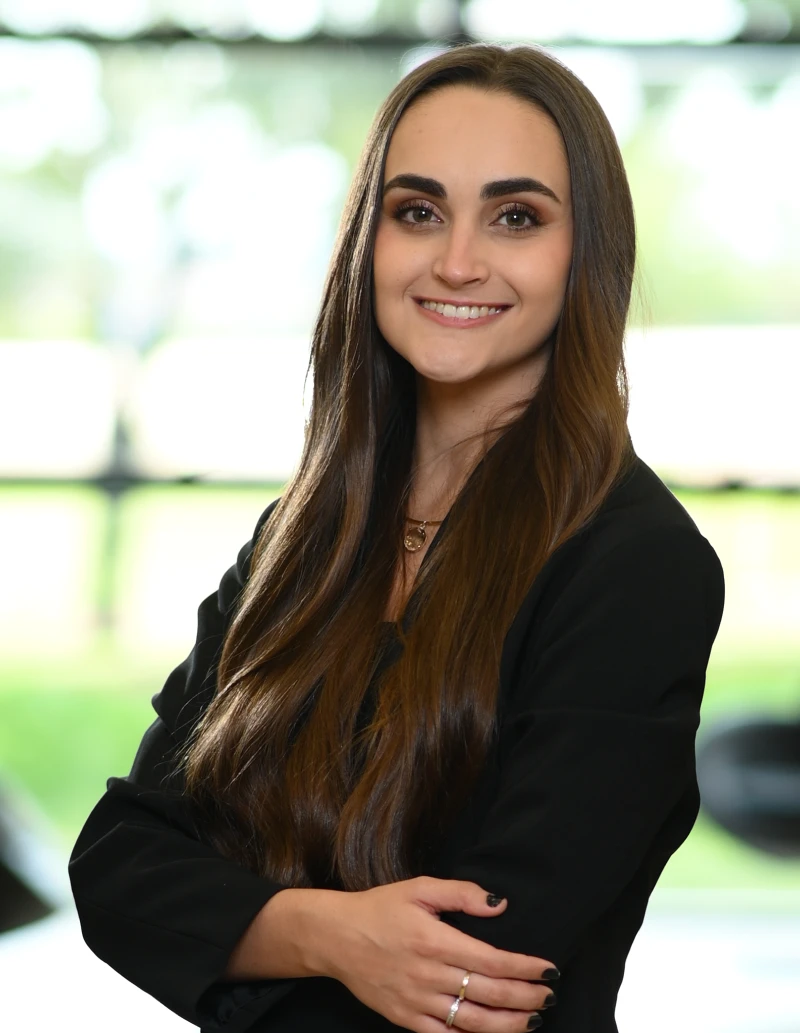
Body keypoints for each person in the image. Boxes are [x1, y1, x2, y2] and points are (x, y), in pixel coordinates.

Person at [68, 42, 725, 1033]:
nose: (456, 261)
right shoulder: (300, 539)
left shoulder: (636, 565)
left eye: (515, 217)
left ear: (585, 252)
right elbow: (119, 864)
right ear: (365, 244)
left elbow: (482, 974)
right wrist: (334, 935)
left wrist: (238, 929)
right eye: (416, 211)